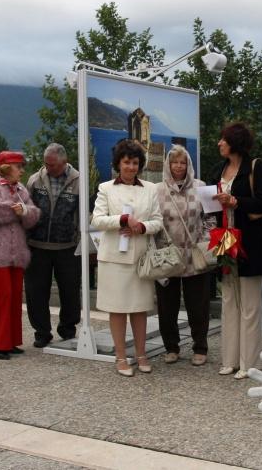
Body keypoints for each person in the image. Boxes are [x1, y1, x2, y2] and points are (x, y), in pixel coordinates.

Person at [91, 139, 163, 376]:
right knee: (118, 309)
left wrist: (140, 227)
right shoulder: (106, 188)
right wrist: (122, 220)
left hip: (140, 258)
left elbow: (158, 221)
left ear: (140, 165)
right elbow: (97, 220)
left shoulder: (151, 189)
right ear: (118, 164)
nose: (131, 167)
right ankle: (121, 357)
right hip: (113, 258)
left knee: (140, 308)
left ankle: (141, 354)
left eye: (134, 163)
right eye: (126, 162)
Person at [209, 122, 262, 379]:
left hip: (249, 242)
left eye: (223, 139)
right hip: (224, 238)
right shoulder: (219, 169)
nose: (219, 143)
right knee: (228, 300)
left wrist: (236, 201)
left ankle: (249, 362)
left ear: (234, 141)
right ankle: (230, 359)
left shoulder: (255, 167)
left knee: (249, 304)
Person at [0, 151, 40, 359]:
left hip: (17, 253)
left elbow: (33, 215)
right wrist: (18, 211)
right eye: (18, 166)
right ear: (5, 166)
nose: (22, 170)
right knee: (3, 296)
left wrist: (25, 212)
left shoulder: (20, 189)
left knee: (14, 297)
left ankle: (11, 340)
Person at [154, 145, 215, 366]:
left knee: (198, 305)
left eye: (183, 162)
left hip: (194, 256)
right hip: (167, 256)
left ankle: (200, 347)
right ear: (168, 165)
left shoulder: (201, 188)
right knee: (166, 306)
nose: (179, 166)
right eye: (174, 162)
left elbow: (211, 219)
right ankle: (171, 347)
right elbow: (153, 219)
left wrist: (205, 242)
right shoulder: (157, 190)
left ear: (188, 165)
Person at [25, 143, 82, 348]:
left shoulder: (79, 181)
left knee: (70, 291)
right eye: (46, 164)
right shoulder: (34, 180)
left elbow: (85, 213)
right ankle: (42, 331)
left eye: (53, 165)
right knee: (36, 291)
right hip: (37, 245)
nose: (48, 168)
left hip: (68, 246)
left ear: (64, 163)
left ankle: (68, 329)